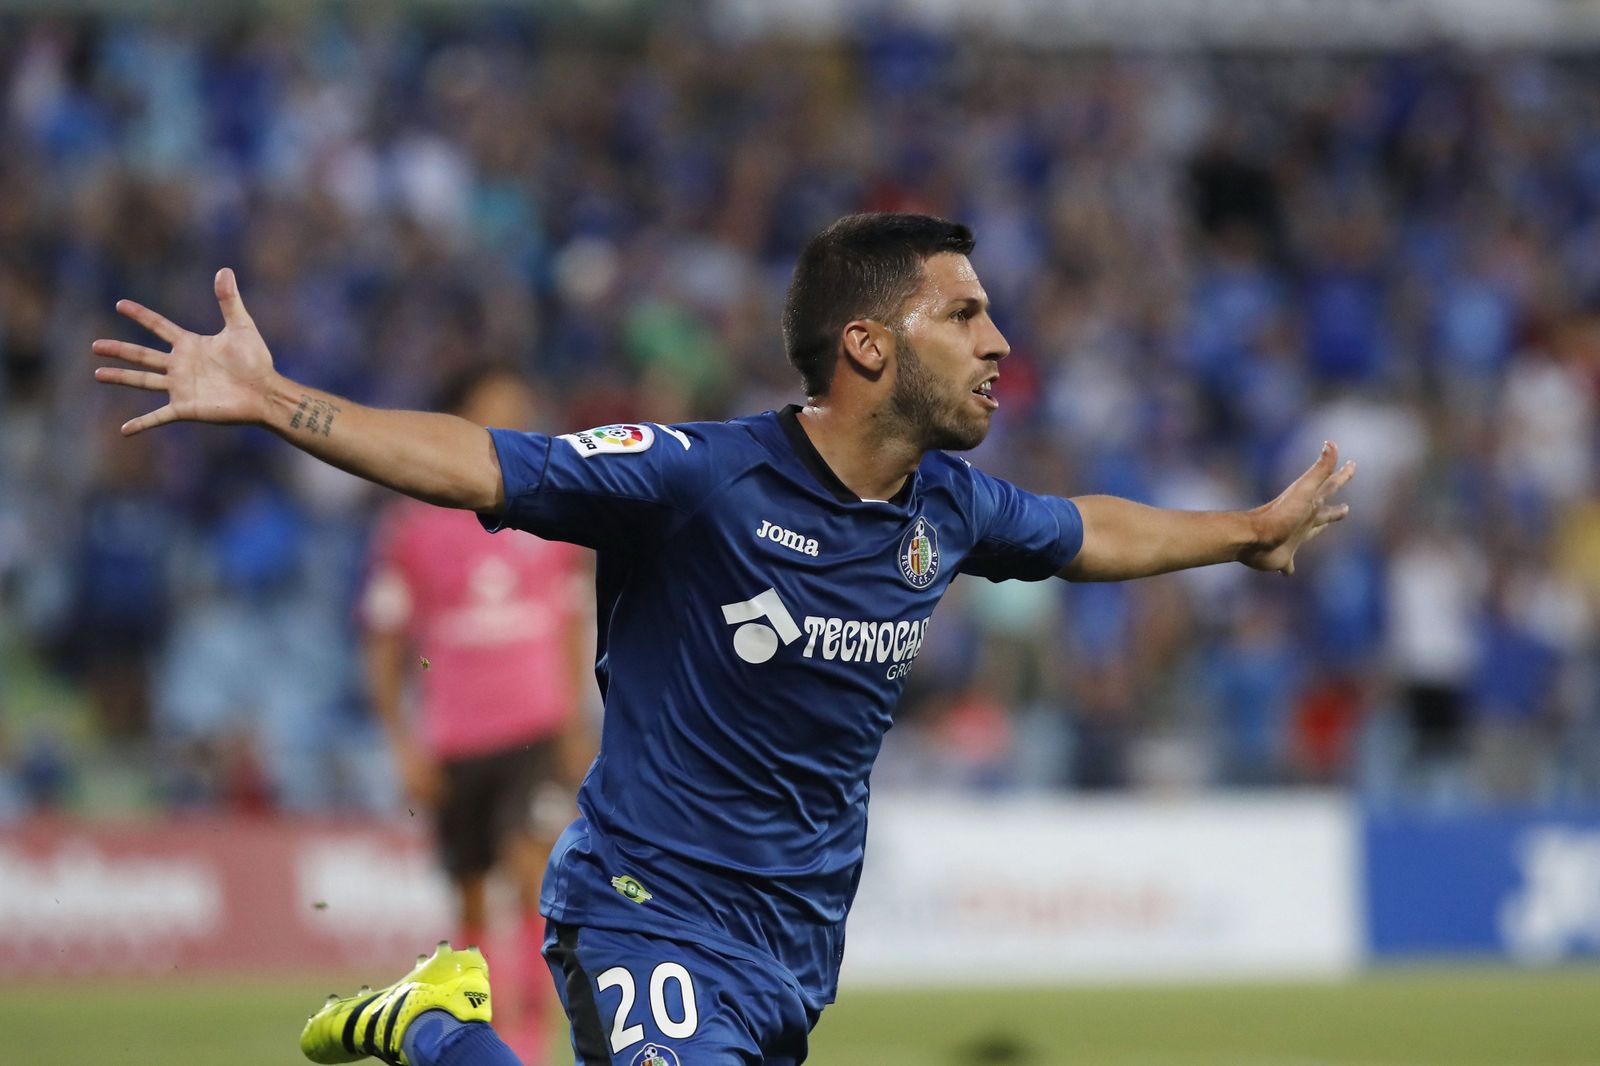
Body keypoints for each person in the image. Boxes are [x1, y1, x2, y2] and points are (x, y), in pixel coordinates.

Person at [93, 213, 1355, 1066]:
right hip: (649, 908)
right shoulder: (699, 479)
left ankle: (434, 1029)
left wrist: (1246, 530)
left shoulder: (948, 506)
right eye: (964, 315)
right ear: (868, 344)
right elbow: (479, 461)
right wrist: (272, 402)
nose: (998, 342)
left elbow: (1092, 532)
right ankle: (432, 1030)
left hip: (793, 945)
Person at [360, 364, 592, 1062]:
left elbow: (572, 622)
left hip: (538, 728)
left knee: (533, 877)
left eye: (520, 408)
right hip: (458, 736)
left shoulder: (554, 507)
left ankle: (531, 1040)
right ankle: (472, 1034)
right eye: (498, 410)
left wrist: (577, 718)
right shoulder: (412, 524)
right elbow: (385, 640)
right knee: (467, 896)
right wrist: (401, 742)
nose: (514, 422)